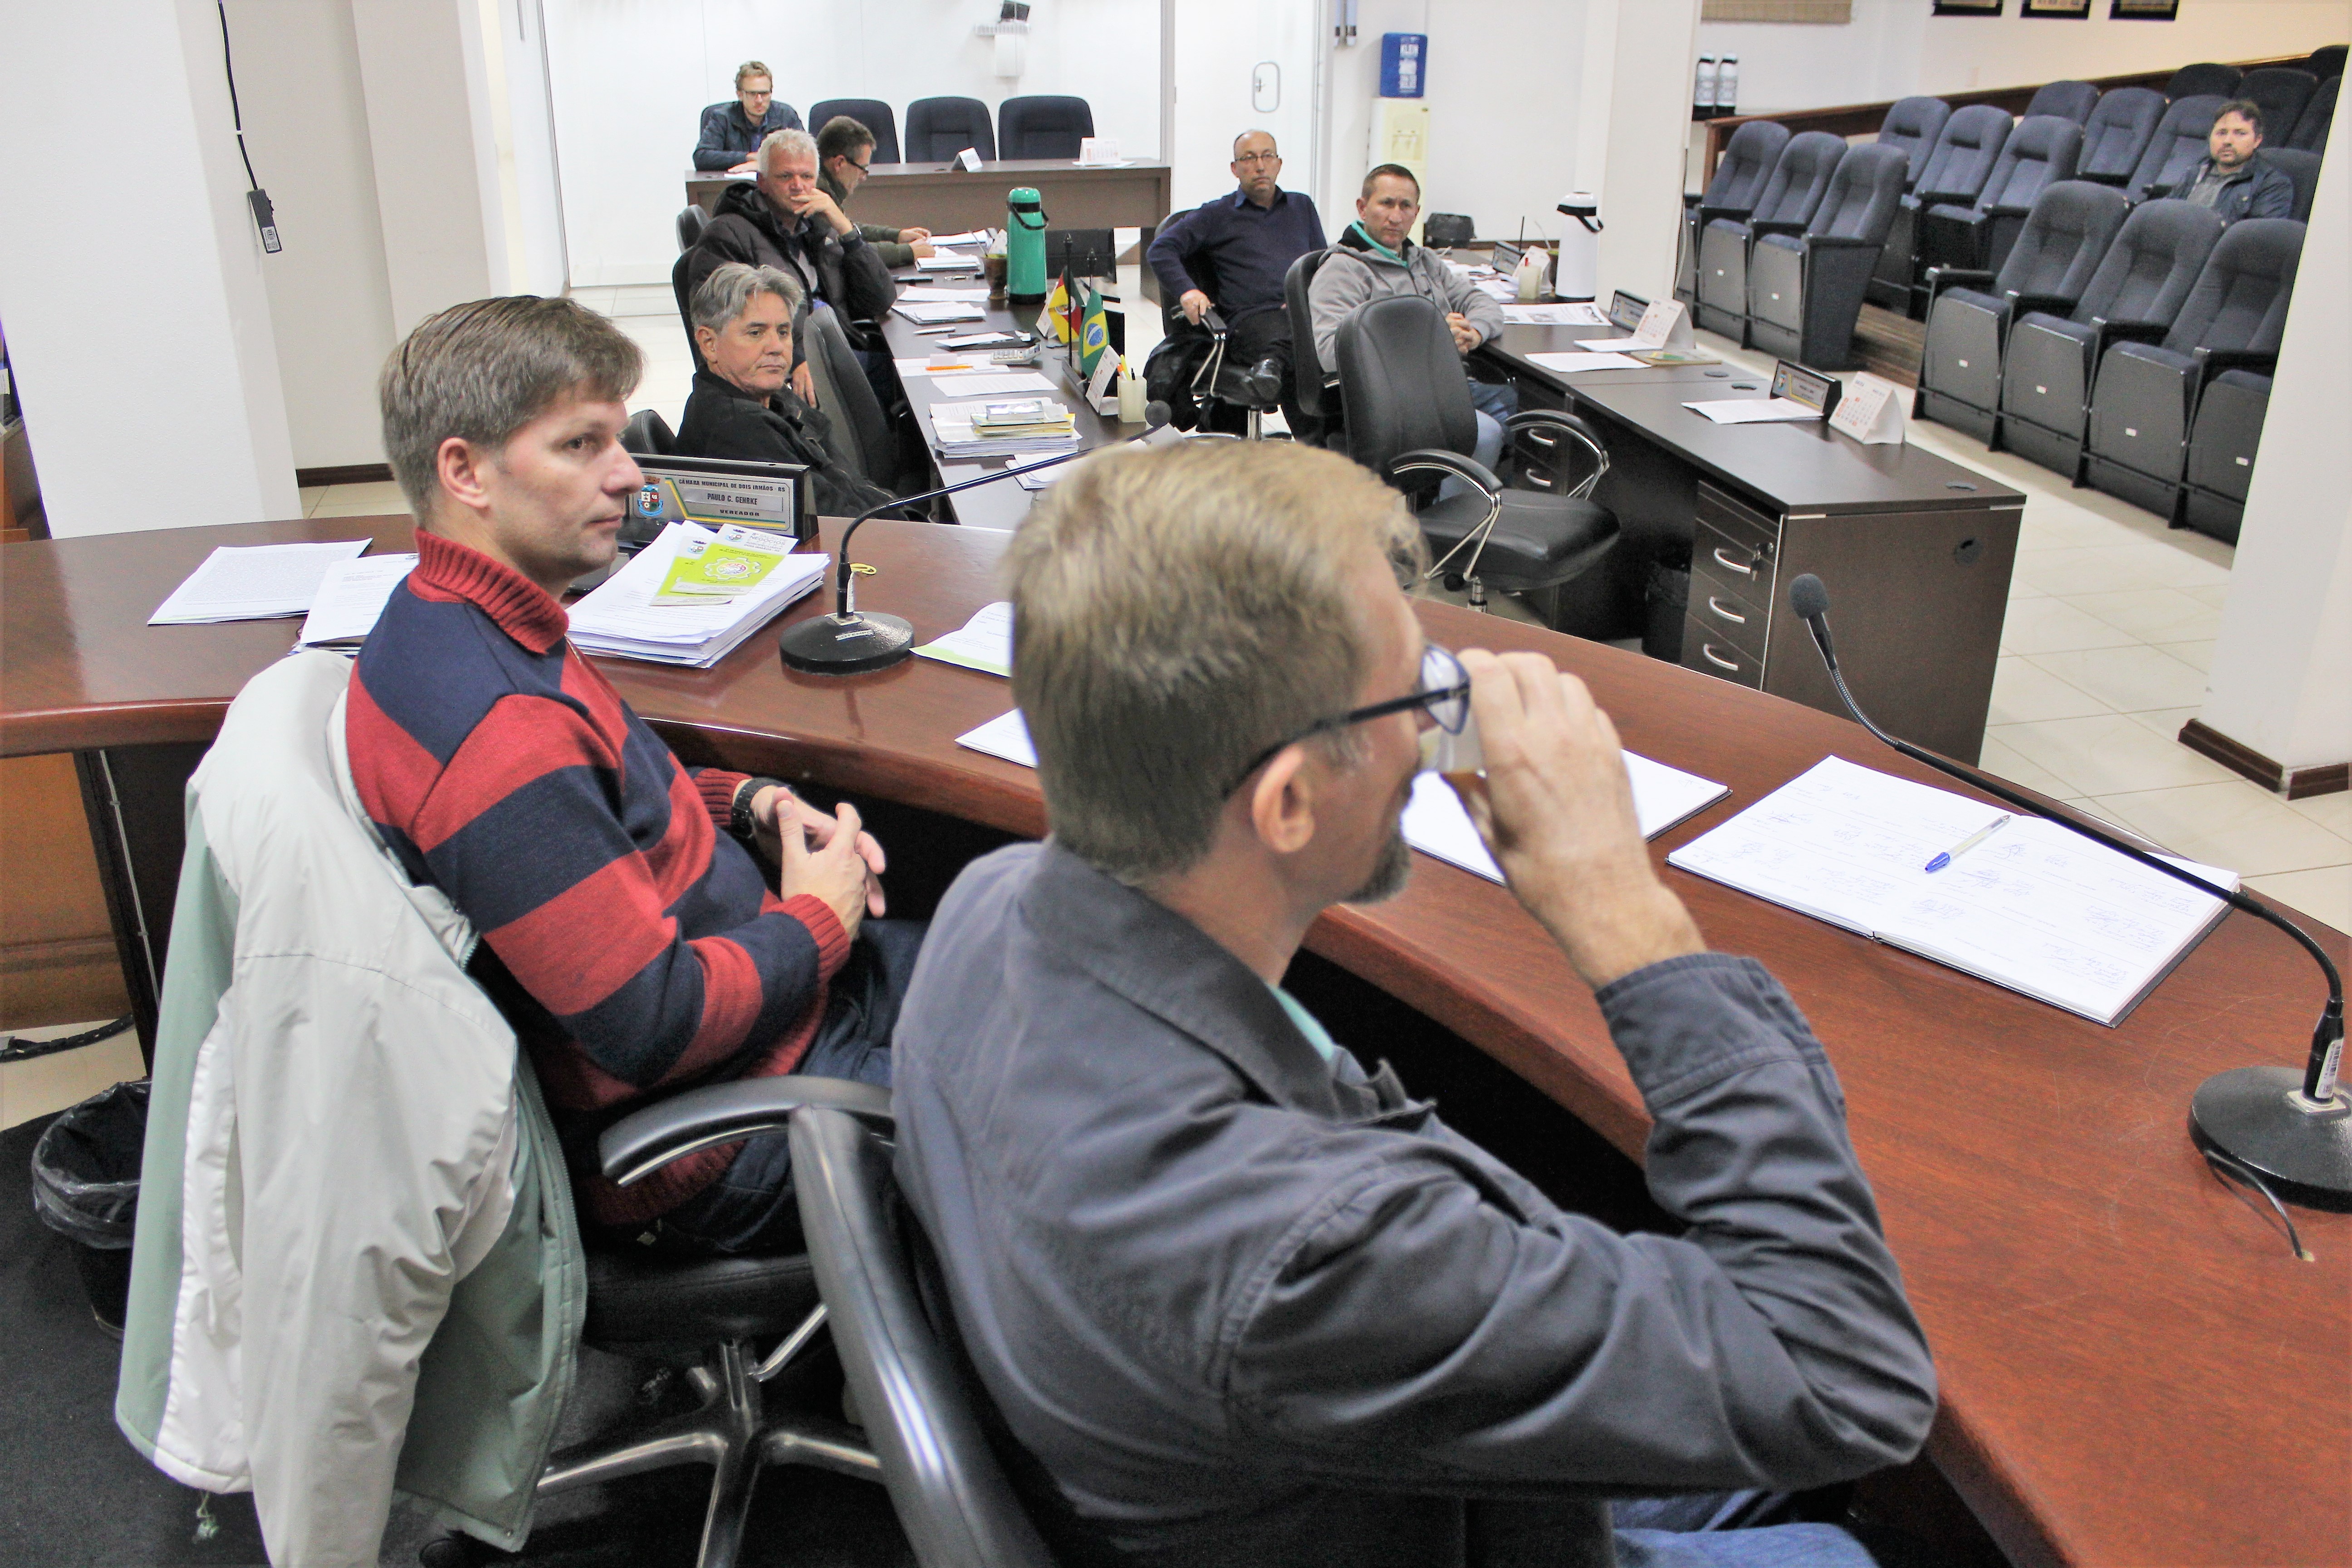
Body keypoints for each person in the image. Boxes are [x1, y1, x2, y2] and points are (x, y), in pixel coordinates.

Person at [890, 440, 1938, 1568]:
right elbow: (1844, 1373)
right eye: (1416, 690)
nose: (1445, 728)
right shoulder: (1309, 1251)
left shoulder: (992, 906)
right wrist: (1621, 910)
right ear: (1287, 801)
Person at [349, 295, 920, 1256]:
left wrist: (754, 803)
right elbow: (651, 1022)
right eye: (581, 446)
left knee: (1027, 966)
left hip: (774, 1016)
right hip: (721, 1133)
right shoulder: (498, 727)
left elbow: (608, 800)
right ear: (465, 472)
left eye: (617, 438)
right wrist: (820, 918)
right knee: (1060, 1119)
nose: (628, 475)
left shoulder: (466, 617)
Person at [1309, 163, 1516, 475]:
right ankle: (1450, 521)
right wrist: (1431, 340)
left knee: (1524, 413)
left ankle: (1480, 507)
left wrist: (1474, 331)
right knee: (1486, 433)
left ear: (1416, 213)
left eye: (1405, 206)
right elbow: (1329, 353)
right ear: (1363, 208)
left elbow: (1481, 302)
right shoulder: (1342, 270)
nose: (1396, 216)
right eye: (1386, 203)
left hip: (1449, 385)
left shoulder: (1424, 261)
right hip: (1393, 401)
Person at [690, 127, 901, 407]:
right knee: (901, 386)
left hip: (837, 348)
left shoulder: (816, 227)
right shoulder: (729, 234)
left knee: (904, 371)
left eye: (807, 177)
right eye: (786, 176)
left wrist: (845, 228)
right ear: (762, 182)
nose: (798, 186)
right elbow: (722, 322)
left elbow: (881, 300)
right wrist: (796, 359)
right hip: (791, 367)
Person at [676, 262, 906, 518]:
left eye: (784, 332)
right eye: (756, 333)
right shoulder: (738, 429)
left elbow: (847, 482)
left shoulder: (773, 396)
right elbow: (834, 522)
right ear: (709, 344)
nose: (776, 347)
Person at [1146, 130, 1326, 437]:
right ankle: (1319, 452)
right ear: (1235, 169)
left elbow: (1318, 265)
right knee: (1301, 349)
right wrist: (1188, 291)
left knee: (1329, 341)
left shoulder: (1301, 207)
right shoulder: (1217, 214)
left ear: (1279, 163)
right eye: (1249, 158)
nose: (1260, 166)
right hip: (1249, 322)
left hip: (1298, 314)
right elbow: (1161, 250)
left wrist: (1312, 298)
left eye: (1267, 156)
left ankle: (1274, 366)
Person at [817, 114, 936, 269]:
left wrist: (896, 236)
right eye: (862, 169)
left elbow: (848, 229)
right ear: (840, 163)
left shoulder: (825, 184)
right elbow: (844, 250)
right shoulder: (818, 193)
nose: (863, 178)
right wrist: (907, 252)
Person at [2157, 100, 2296, 222]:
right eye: (2222, 133)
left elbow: (2257, 240)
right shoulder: (2195, 172)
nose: (2228, 141)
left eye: (2240, 133)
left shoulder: (2272, 184)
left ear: (2257, 140)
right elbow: (2164, 216)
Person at [694, 60, 802, 172]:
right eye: (752, 94)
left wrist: (764, 164)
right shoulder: (723, 117)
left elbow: (806, 153)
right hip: (736, 186)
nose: (759, 100)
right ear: (740, 95)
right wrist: (748, 158)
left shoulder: (786, 115)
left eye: (764, 94)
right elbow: (702, 157)